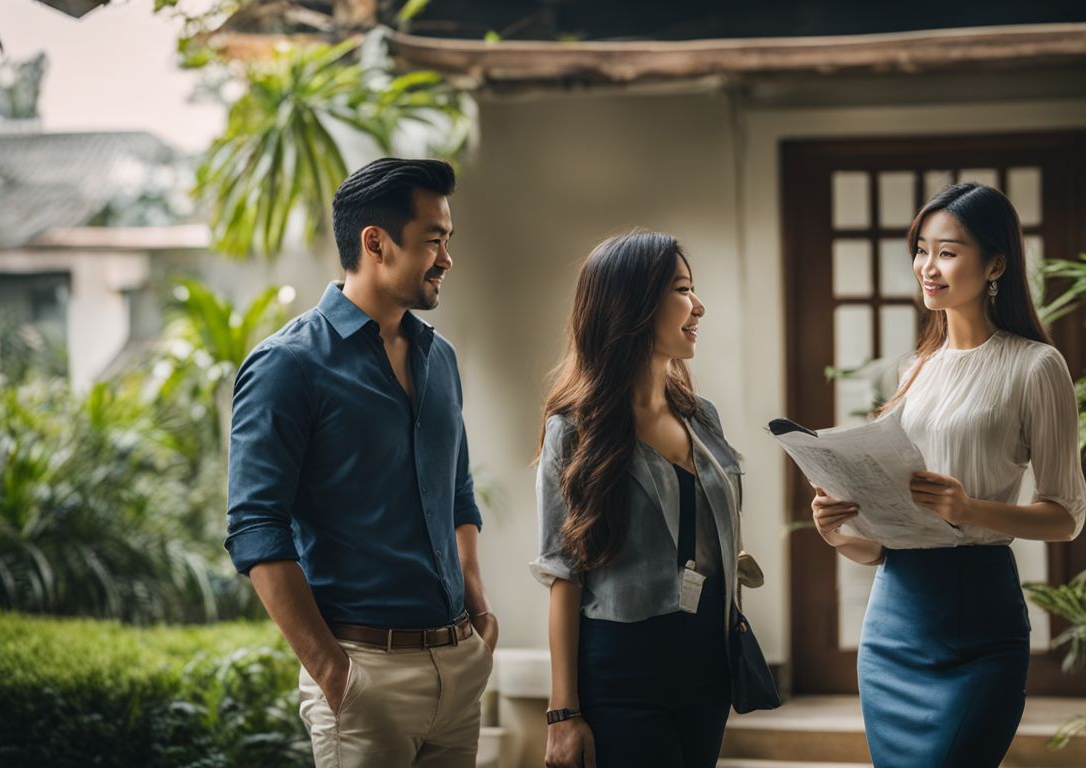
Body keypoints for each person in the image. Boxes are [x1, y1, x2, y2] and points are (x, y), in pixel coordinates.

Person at [225, 157, 497, 768]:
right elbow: (255, 530)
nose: (446, 258)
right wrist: (333, 672)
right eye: (433, 240)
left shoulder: (440, 358)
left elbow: (457, 492)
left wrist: (478, 613)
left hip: (459, 667)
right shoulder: (287, 366)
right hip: (363, 675)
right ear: (376, 243)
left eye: (447, 240)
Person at [811, 182, 1086, 767]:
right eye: (920, 249)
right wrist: (839, 531)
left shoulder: (1037, 366)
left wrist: (970, 510)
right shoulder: (915, 371)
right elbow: (890, 543)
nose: (927, 267)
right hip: (894, 621)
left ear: (995, 263)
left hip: (979, 621)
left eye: (947, 251)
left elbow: (1066, 518)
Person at [532, 231, 745, 768]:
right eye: (681, 290)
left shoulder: (702, 417)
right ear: (632, 304)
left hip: (707, 665)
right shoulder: (574, 430)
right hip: (621, 673)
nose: (698, 306)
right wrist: (563, 713)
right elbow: (563, 574)